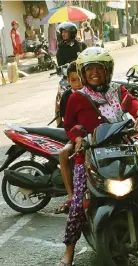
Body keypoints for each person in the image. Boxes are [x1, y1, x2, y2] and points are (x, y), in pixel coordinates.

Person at [58, 47, 138, 266]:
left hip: (123, 148)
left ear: (108, 71)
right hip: (90, 153)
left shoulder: (118, 91)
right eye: (89, 69)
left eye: (99, 69)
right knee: (77, 204)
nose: (94, 73)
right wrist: (77, 138)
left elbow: (134, 104)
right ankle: (69, 252)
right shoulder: (76, 97)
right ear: (83, 74)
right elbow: (69, 126)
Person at [54, 61, 82, 214]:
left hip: (94, 135)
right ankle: (71, 196)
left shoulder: (92, 92)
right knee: (64, 153)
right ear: (68, 81)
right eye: (73, 80)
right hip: (75, 136)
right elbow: (67, 123)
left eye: (79, 79)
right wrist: (76, 137)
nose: (77, 84)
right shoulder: (67, 96)